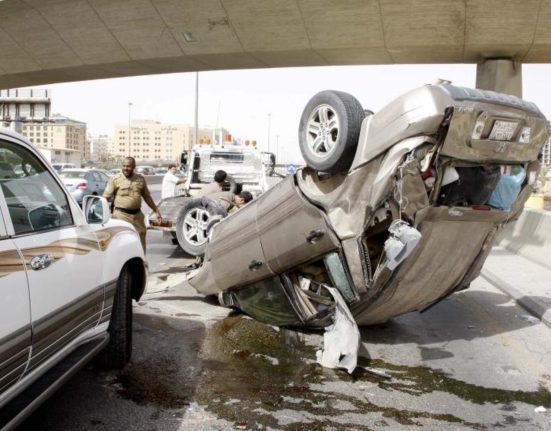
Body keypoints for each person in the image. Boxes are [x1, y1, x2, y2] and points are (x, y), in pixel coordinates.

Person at [103, 156, 162, 252]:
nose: (125, 168)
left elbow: (147, 197)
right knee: (122, 240)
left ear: (134, 166)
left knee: (141, 237)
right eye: (124, 166)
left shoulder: (140, 179)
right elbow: (105, 198)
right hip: (121, 215)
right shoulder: (115, 179)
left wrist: (156, 210)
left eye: (128, 166)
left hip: (137, 216)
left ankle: (141, 263)